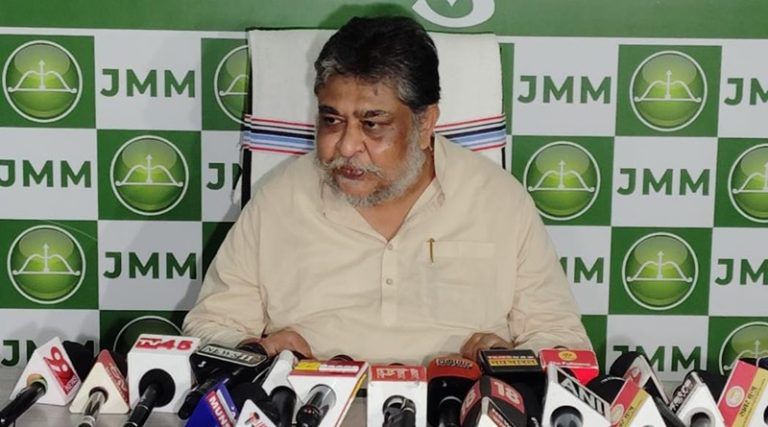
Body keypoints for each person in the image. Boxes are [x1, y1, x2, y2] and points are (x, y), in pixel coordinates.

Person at [183, 15, 591, 364]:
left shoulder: (499, 200)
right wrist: (256, 351)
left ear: (425, 124)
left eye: (372, 124)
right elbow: (209, 327)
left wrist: (505, 359)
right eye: (331, 121)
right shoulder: (280, 199)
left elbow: (564, 344)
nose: (346, 146)